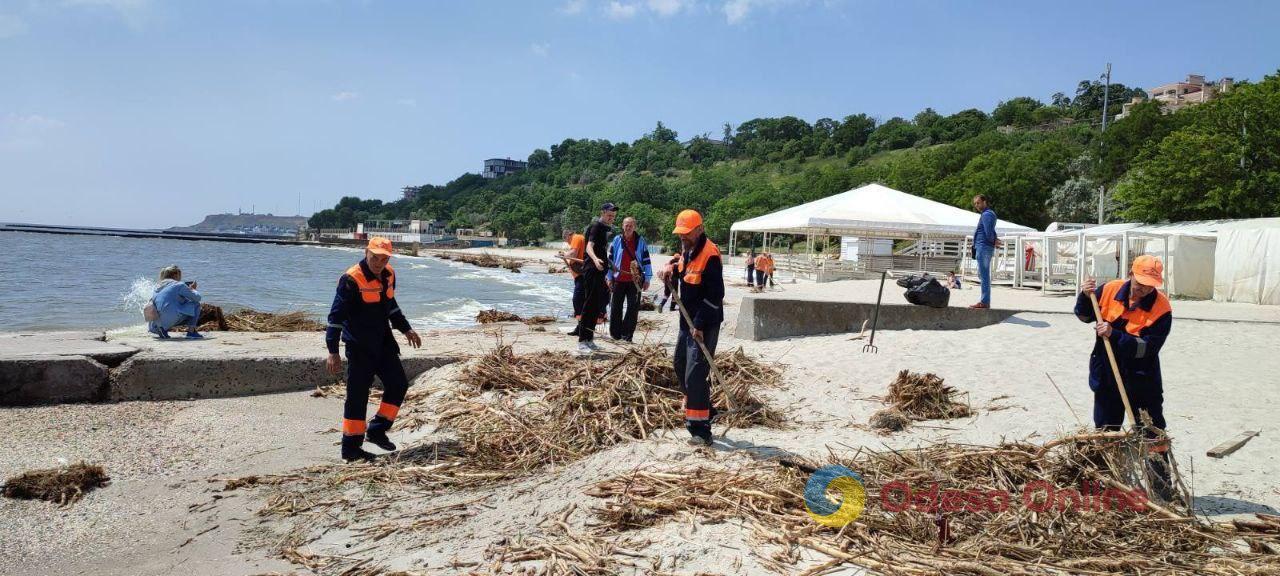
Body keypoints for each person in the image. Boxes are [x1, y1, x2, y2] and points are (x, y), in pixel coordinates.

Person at [1075, 255, 1176, 500]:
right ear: (1130, 273)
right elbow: (1085, 316)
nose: (1143, 288)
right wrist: (1084, 295)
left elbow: (1147, 349)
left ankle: (1162, 491)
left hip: (1142, 380)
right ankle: (1105, 488)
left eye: (1149, 284)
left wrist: (1115, 334)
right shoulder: (1109, 289)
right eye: (1140, 281)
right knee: (1106, 433)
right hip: (1107, 372)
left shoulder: (1162, 308)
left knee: (1153, 435)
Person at [325, 237, 423, 462]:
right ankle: (350, 448)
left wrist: (406, 329)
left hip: (384, 342)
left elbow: (390, 306)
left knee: (398, 384)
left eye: (384, 258)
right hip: (359, 346)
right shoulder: (350, 279)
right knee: (357, 396)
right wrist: (333, 350)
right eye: (375, 257)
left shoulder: (389, 274)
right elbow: (335, 318)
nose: (379, 262)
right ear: (366, 252)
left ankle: (377, 429)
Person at [658, 209, 725, 447]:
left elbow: (716, 295)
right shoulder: (688, 250)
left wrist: (699, 324)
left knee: (695, 374)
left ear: (699, 229)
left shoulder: (710, 255)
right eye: (680, 233)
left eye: (687, 233)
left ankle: (701, 430)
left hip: (704, 324)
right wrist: (668, 268)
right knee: (679, 364)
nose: (682, 237)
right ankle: (706, 408)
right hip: (687, 323)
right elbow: (681, 266)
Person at [575, 202, 618, 355]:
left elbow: (602, 251)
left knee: (596, 306)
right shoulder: (596, 227)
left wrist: (611, 265)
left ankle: (589, 339)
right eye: (609, 215)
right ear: (603, 213)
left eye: (613, 216)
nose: (611, 218)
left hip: (601, 270)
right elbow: (589, 247)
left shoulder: (606, 229)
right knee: (589, 304)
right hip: (592, 270)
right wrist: (594, 260)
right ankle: (581, 341)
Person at [607, 216, 653, 342]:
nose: (628, 227)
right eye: (626, 225)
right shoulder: (616, 240)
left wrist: (647, 278)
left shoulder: (640, 241)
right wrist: (609, 277)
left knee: (633, 308)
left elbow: (646, 260)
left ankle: (627, 335)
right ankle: (615, 335)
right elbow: (610, 260)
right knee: (616, 307)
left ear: (635, 227)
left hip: (635, 281)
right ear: (622, 226)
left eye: (631, 225)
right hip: (619, 279)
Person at [147, 265, 204, 339]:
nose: (180, 278)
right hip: (168, 319)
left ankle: (162, 329)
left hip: (153, 325)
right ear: (175, 275)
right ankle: (191, 332)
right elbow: (197, 298)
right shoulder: (179, 285)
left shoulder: (158, 287)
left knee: (169, 308)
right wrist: (192, 289)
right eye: (180, 275)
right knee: (196, 305)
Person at [969, 194, 999, 309]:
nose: (976, 205)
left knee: (984, 275)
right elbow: (991, 230)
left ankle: (984, 302)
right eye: (975, 204)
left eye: (978, 203)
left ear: (984, 202)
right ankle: (985, 301)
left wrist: (993, 241)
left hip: (984, 247)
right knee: (983, 274)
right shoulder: (988, 214)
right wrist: (994, 239)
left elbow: (988, 232)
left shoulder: (987, 214)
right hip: (984, 247)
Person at [557, 228, 587, 336]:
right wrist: (565, 257)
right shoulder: (578, 239)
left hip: (583, 276)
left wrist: (564, 255)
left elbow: (573, 253)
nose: (568, 243)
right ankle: (581, 327)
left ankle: (582, 327)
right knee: (582, 302)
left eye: (567, 241)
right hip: (580, 276)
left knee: (577, 301)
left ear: (568, 235)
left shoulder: (576, 238)